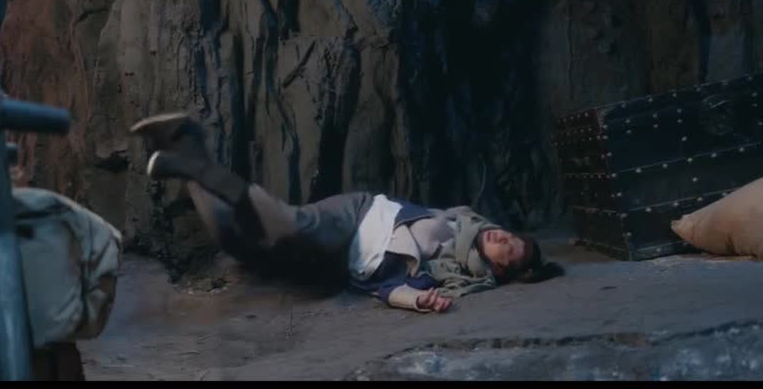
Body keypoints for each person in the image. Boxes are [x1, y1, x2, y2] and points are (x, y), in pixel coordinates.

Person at [131, 112, 564, 313]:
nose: (504, 237)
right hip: (358, 216)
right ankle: (195, 163)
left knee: (238, 241)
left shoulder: (454, 281)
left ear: (499, 270)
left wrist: (418, 301)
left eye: (510, 249)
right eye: (510, 234)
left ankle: (187, 147)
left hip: (342, 261)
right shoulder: (457, 222)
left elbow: (388, 291)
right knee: (285, 224)